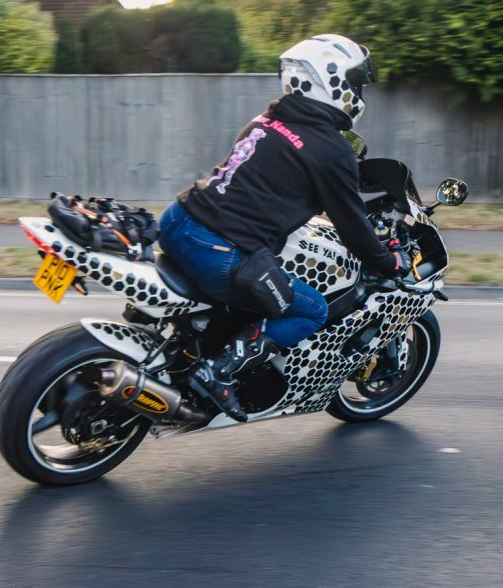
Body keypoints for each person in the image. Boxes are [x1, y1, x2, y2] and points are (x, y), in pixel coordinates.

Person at [158, 34, 410, 422]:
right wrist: (389, 262)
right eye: (356, 81)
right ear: (333, 81)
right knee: (311, 309)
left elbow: (261, 187)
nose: (359, 90)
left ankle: (188, 352)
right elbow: (353, 228)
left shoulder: (266, 121)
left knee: (253, 288)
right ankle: (219, 370)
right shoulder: (330, 148)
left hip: (178, 219)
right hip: (217, 250)